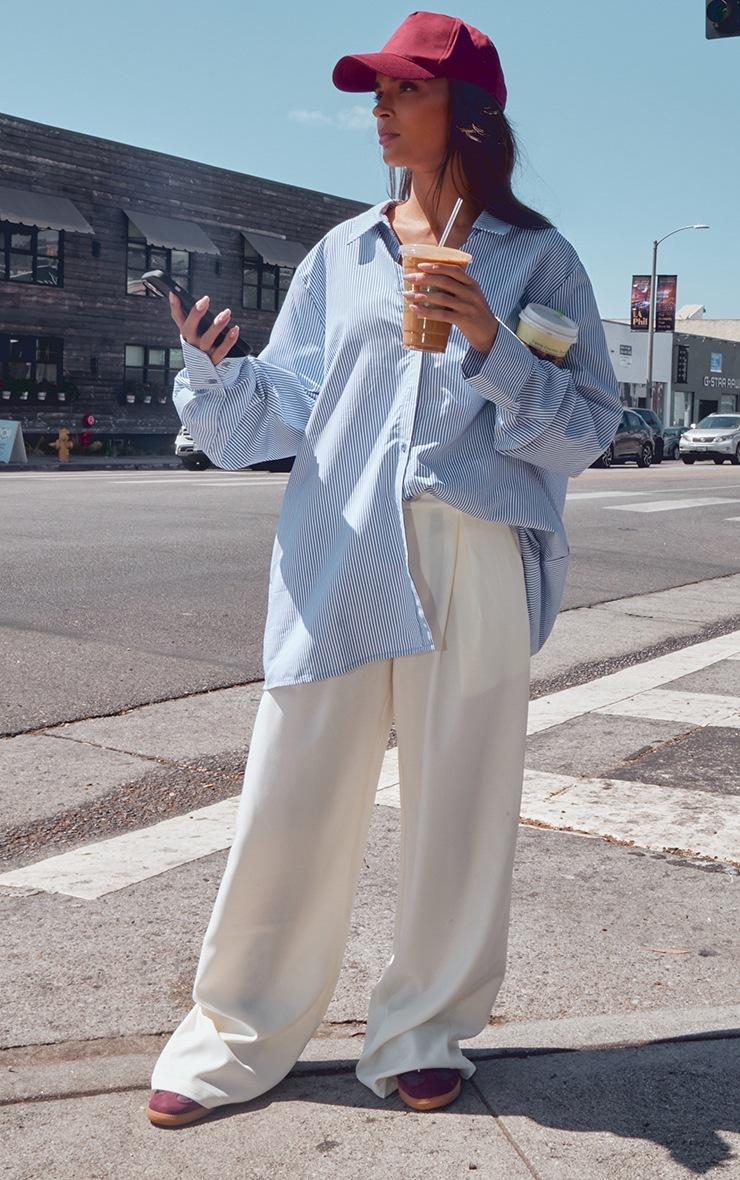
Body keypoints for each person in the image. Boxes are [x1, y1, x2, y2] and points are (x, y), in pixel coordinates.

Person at [146, 10, 622, 1128]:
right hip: (341, 540)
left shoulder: (537, 258)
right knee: (291, 788)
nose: (377, 108)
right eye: (373, 91)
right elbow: (285, 409)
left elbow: (586, 430)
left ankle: (425, 1027)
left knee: (462, 797)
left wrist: (492, 346)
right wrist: (216, 377)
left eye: (401, 90)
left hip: (475, 549)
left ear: (465, 111)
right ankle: (235, 1030)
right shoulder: (341, 252)